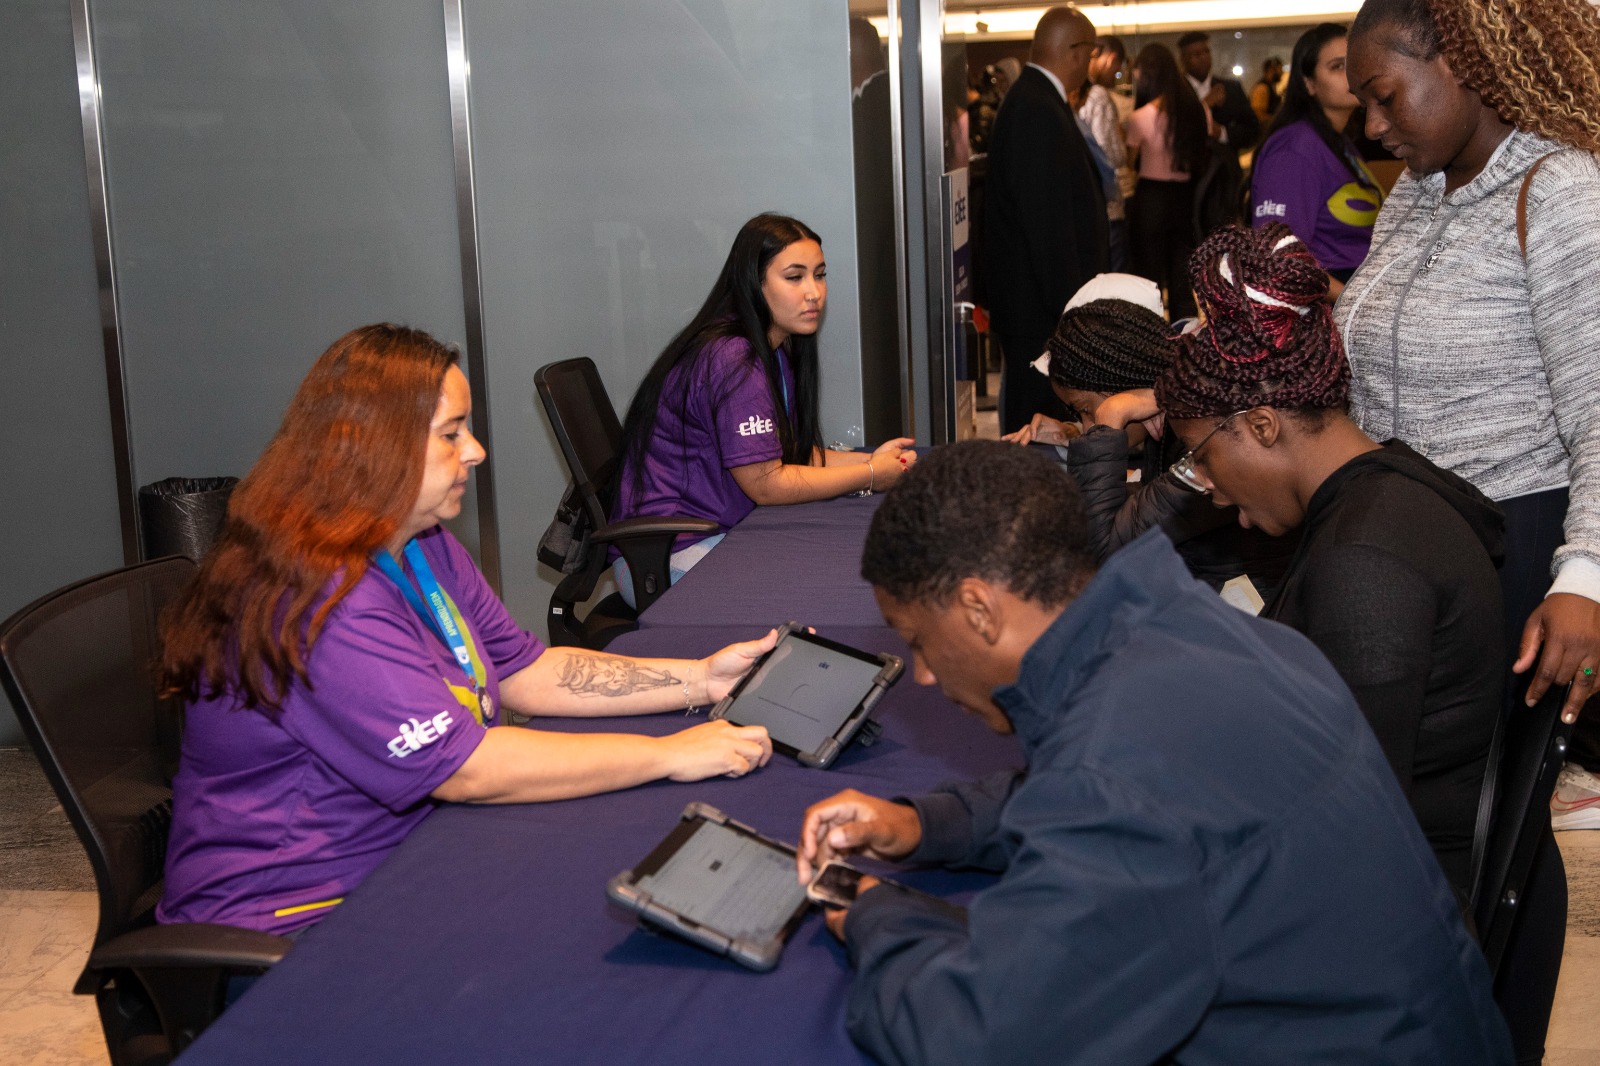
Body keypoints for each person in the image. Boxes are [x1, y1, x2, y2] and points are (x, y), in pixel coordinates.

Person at [796, 440, 1510, 1066]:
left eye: (917, 640)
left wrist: (874, 915)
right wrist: (928, 824)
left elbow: (976, 1039)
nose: (921, 674)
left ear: (979, 609)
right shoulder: (1193, 626)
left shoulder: (1118, 772)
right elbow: (1115, 792)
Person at [157, 325, 777, 935]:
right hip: (300, 919)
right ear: (376, 446)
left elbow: (526, 673)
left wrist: (699, 679)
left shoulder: (420, 542)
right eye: (451, 434)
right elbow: (467, 769)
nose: (476, 451)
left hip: (414, 857)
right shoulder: (319, 597)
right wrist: (668, 754)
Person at [1340, 2, 1600, 1056]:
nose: (1370, 126)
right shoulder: (1413, 193)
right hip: (1408, 549)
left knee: (1496, 839)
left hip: (1515, 555)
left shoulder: (1566, 195)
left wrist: (1584, 576)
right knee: (1415, 827)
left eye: (1382, 93)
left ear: (1461, 59)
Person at [1154, 222, 1503, 896]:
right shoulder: (1384, 490)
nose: (1210, 487)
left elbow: (1345, 825)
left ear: (1260, 424)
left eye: (1201, 456)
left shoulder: (1367, 562)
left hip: (1395, 925)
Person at [614, 214, 916, 601]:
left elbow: (787, 455)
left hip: (719, 534)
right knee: (831, 589)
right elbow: (767, 483)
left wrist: (871, 461)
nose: (814, 292)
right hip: (669, 554)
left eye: (819, 275)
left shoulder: (772, 349)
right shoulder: (732, 358)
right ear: (753, 284)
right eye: (794, 277)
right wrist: (871, 475)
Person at [1003, 278, 1296, 594]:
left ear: (1124, 388)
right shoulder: (1178, 418)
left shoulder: (1207, 439)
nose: (1090, 424)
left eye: (1086, 409)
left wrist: (1111, 418)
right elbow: (1145, 505)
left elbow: (1099, 555)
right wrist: (1077, 436)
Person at [983, 6, 1109, 434]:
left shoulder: (1036, 100)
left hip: (1035, 307)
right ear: (1075, 51)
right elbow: (1049, 229)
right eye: (1090, 55)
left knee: (1036, 422)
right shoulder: (1036, 108)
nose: (1088, 68)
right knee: (1034, 425)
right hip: (1039, 313)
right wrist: (1072, 316)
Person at [1251, 24, 1384, 296]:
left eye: (1354, 63)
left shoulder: (1339, 141)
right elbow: (1279, 256)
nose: (1351, 73)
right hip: (1329, 308)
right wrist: (1354, 301)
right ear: (1309, 84)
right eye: (1337, 66)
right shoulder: (1294, 149)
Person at [1125, 44, 1209, 319]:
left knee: (1148, 275)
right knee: (1181, 278)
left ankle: (1148, 340)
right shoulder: (1194, 112)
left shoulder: (1139, 118)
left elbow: (1129, 164)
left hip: (1151, 196)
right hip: (1185, 197)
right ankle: (1185, 344)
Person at [1076, 38, 1131, 271]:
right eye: (1117, 69)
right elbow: (1110, 153)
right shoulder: (1098, 95)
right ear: (1111, 60)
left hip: (1084, 203)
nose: (1116, 74)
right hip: (1107, 205)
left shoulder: (1075, 94)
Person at [1176, 30, 1261, 151]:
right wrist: (1205, 105)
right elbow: (1172, 132)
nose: (1203, 58)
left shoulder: (1231, 88)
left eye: (1206, 52)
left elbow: (1253, 131)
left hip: (1226, 165)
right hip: (1189, 166)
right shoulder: (1175, 91)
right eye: (1196, 54)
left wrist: (1222, 133)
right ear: (1183, 59)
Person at [1252, 56, 1284, 126]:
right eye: (1280, 69)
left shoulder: (1270, 87)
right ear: (1271, 70)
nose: (1282, 73)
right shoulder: (1262, 88)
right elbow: (1258, 115)